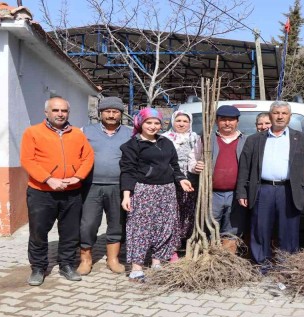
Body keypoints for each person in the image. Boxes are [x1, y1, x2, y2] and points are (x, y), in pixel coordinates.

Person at [20, 96, 94, 286]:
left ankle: (67, 265)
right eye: (55, 110)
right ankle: (38, 268)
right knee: (38, 232)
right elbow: (28, 160)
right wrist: (48, 179)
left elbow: (88, 157)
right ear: (46, 112)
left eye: (64, 111)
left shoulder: (77, 134)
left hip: (71, 192)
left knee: (70, 232)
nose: (60, 114)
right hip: (41, 192)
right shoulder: (32, 132)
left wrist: (78, 177)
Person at [236, 101, 304, 270]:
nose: (280, 116)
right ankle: (261, 264)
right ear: (270, 115)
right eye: (276, 113)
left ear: (289, 116)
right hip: (262, 190)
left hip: (289, 190)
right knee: (260, 228)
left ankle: (286, 265)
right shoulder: (254, 140)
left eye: (284, 113)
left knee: (288, 230)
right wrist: (242, 193)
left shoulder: (303, 139)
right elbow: (244, 168)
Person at [120, 108, 194, 282]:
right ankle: (137, 268)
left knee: (165, 226)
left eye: (156, 123)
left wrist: (181, 180)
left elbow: (174, 166)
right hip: (144, 191)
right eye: (149, 122)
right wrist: (126, 195)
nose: (153, 126)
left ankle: (157, 262)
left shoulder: (166, 142)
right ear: (140, 123)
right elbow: (127, 171)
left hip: (167, 191)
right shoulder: (132, 145)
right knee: (140, 228)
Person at [77, 96, 131, 276]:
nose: (111, 115)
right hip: (91, 185)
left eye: (115, 112)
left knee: (117, 223)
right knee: (88, 224)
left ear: (120, 114)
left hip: (118, 187)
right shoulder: (85, 131)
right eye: (107, 111)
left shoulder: (130, 133)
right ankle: (85, 259)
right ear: (100, 113)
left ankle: (112, 259)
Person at [194, 105, 247, 253]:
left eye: (231, 120)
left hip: (236, 194)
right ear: (217, 121)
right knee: (210, 227)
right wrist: (195, 166)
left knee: (231, 229)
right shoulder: (206, 139)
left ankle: (226, 262)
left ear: (237, 122)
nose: (227, 123)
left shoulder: (245, 141)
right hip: (211, 193)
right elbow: (194, 159)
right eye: (223, 119)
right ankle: (210, 259)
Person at [164, 110, 202, 256]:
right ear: (173, 121)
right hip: (171, 182)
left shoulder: (195, 138)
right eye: (178, 120)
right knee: (173, 214)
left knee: (189, 214)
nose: (181, 124)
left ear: (190, 123)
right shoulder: (165, 138)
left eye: (185, 121)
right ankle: (171, 247)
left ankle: (188, 244)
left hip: (192, 181)